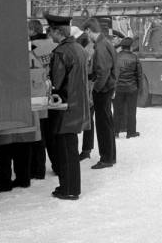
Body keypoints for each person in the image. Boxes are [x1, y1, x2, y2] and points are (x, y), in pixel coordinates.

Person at [46, 13, 90, 200]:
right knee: (71, 149)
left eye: (51, 32)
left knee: (65, 150)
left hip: (64, 107)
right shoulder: (79, 48)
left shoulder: (61, 52)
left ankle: (68, 189)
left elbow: (57, 81)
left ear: (58, 31)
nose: (50, 36)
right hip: (78, 105)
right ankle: (71, 187)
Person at [82, 18, 117, 169]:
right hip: (107, 88)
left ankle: (106, 158)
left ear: (89, 30)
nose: (86, 36)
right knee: (107, 124)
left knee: (103, 126)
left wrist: (95, 88)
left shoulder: (101, 46)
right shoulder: (106, 43)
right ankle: (110, 156)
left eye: (86, 32)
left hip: (102, 90)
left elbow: (103, 71)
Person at [28, 20, 58, 179]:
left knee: (38, 134)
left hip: (37, 95)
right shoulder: (53, 45)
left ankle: (38, 169)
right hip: (52, 94)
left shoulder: (31, 46)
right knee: (52, 133)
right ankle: (57, 165)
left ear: (32, 30)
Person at [71, 26, 95, 161]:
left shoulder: (87, 50)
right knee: (88, 119)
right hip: (88, 88)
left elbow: (88, 72)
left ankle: (86, 150)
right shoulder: (88, 48)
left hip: (88, 88)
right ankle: (86, 149)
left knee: (88, 119)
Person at [113, 37, 143, 138]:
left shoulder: (116, 57)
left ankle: (115, 132)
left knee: (117, 111)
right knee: (131, 111)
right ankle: (131, 132)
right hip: (132, 88)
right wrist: (139, 88)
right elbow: (139, 75)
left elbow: (113, 73)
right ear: (130, 47)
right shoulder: (135, 58)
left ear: (121, 46)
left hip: (118, 88)